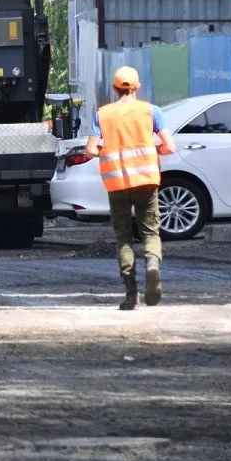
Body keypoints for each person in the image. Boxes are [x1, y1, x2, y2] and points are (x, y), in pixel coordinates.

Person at [85, 66, 176, 310]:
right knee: (150, 232)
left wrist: (109, 150)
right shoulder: (151, 111)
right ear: (137, 87)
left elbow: (91, 150)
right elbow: (169, 147)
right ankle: (153, 266)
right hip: (146, 180)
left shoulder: (103, 114)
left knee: (124, 236)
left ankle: (130, 294)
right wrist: (152, 149)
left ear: (115, 89)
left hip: (116, 184)